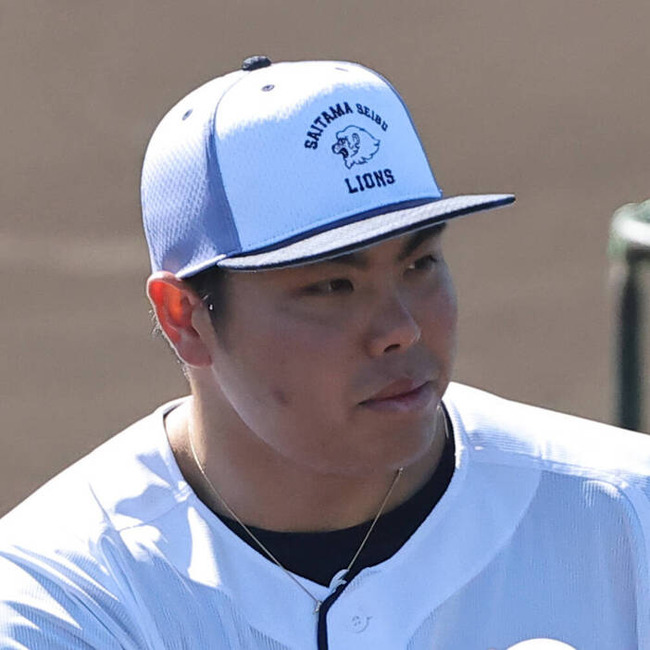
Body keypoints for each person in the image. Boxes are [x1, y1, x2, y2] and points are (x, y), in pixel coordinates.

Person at [0, 56, 648, 650]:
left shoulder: (630, 514)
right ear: (184, 318)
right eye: (333, 285)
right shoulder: (62, 596)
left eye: (420, 263)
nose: (401, 329)